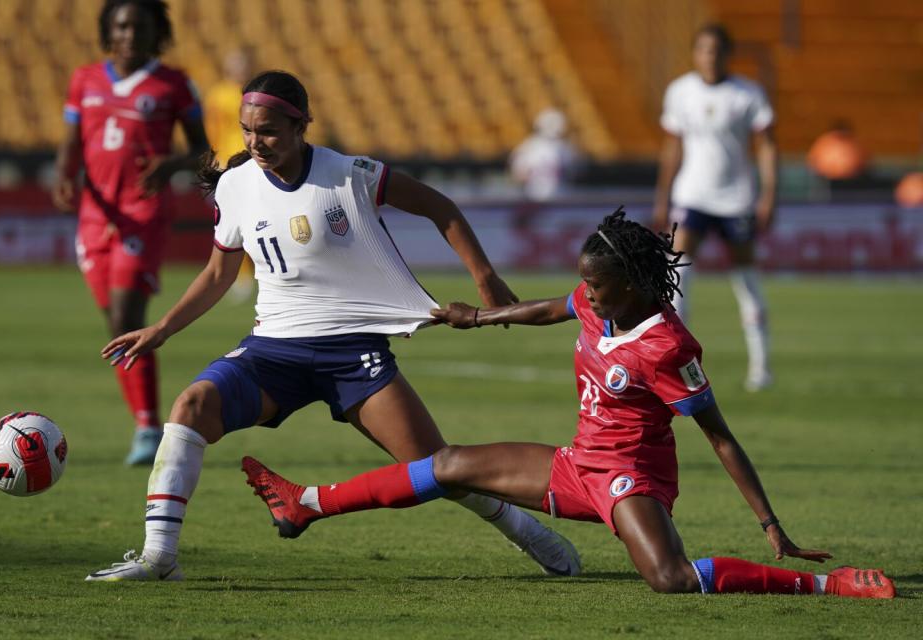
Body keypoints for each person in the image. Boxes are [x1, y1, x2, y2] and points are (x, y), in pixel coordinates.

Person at [238, 209, 896, 599]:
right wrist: (484, 318)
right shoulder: (596, 299)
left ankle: (825, 585)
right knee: (447, 464)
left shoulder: (667, 344)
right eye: (587, 282)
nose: (588, 295)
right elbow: (556, 307)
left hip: (630, 479)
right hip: (576, 463)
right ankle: (310, 503)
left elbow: (719, 436)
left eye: (599, 286)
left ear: (636, 284)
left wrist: (770, 523)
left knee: (668, 579)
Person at [84, 70, 582, 581]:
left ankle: (527, 531)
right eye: (248, 130)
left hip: (352, 354)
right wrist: (162, 330)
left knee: (439, 469)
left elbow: (439, 206)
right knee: (190, 407)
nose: (257, 142)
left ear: (303, 125)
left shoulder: (350, 173)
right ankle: (159, 557)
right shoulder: (234, 187)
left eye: (270, 131)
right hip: (272, 352)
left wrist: (485, 277)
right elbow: (217, 274)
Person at [52, 0, 210, 465]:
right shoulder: (85, 79)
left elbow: (202, 151)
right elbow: (70, 143)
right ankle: (143, 423)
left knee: (126, 315)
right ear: (108, 30)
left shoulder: (173, 84)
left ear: (154, 32)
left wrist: (172, 164)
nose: (129, 35)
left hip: (143, 212)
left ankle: (147, 429)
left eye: (139, 27)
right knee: (115, 323)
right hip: (95, 216)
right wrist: (65, 175)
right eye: (121, 26)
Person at [652, 24, 778, 392]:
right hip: (692, 195)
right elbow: (672, 147)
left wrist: (768, 194)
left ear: (727, 54)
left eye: (717, 50)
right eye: (704, 50)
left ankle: (761, 366)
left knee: (746, 278)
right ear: (695, 53)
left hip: (736, 198)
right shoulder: (680, 91)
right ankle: (675, 361)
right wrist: (663, 197)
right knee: (677, 275)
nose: (710, 57)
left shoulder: (747, 94)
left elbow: (767, 146)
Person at [204, 47, 256, 303]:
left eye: (243, 64)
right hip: (228, 162)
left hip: (255, 160)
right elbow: (212, 128)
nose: (240, 69)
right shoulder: (219, 95)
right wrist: (214, 158)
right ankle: (239, 274)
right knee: (232, 223)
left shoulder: (255, 93)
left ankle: (251, 273)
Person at [508, 108, 579, 202]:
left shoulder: (564, 148)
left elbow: (574, 173)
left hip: (559, 197)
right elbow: (519, 175)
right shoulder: (529, 146)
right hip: (535, 198)